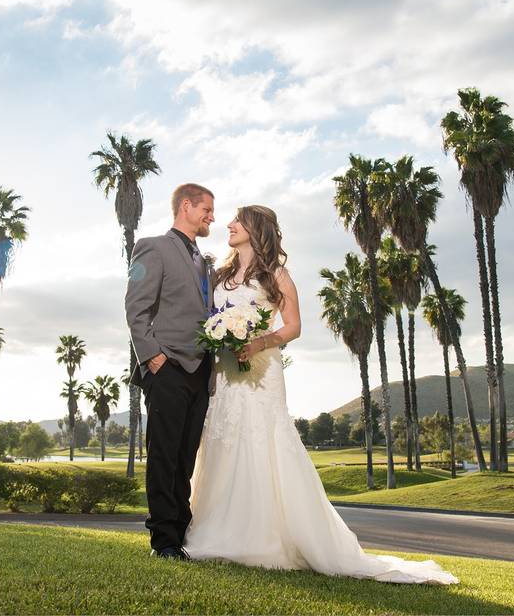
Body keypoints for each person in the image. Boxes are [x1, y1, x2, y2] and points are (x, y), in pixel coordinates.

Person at [182, 204, 458, 585]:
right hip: (226, 371)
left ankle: (262, 537)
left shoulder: (278, 275)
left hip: (262, 370)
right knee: (223, 440)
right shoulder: (222, 273)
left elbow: (293, 327)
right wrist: (222, 335)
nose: (228, 224)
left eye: (236, 220)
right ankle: (215, 527)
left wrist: (260, 341)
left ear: (255, 228)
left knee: (263, 440)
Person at [124, 182, 216, 560]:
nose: (212, 216)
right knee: (163, 454)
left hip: (200, 371)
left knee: (185, 457)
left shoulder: (205, 261)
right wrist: (154, 359)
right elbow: (135, 308)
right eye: (207, 209)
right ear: (186, 206)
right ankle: (163, 541)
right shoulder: (153, 247)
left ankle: (181, 531)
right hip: (168, 368)